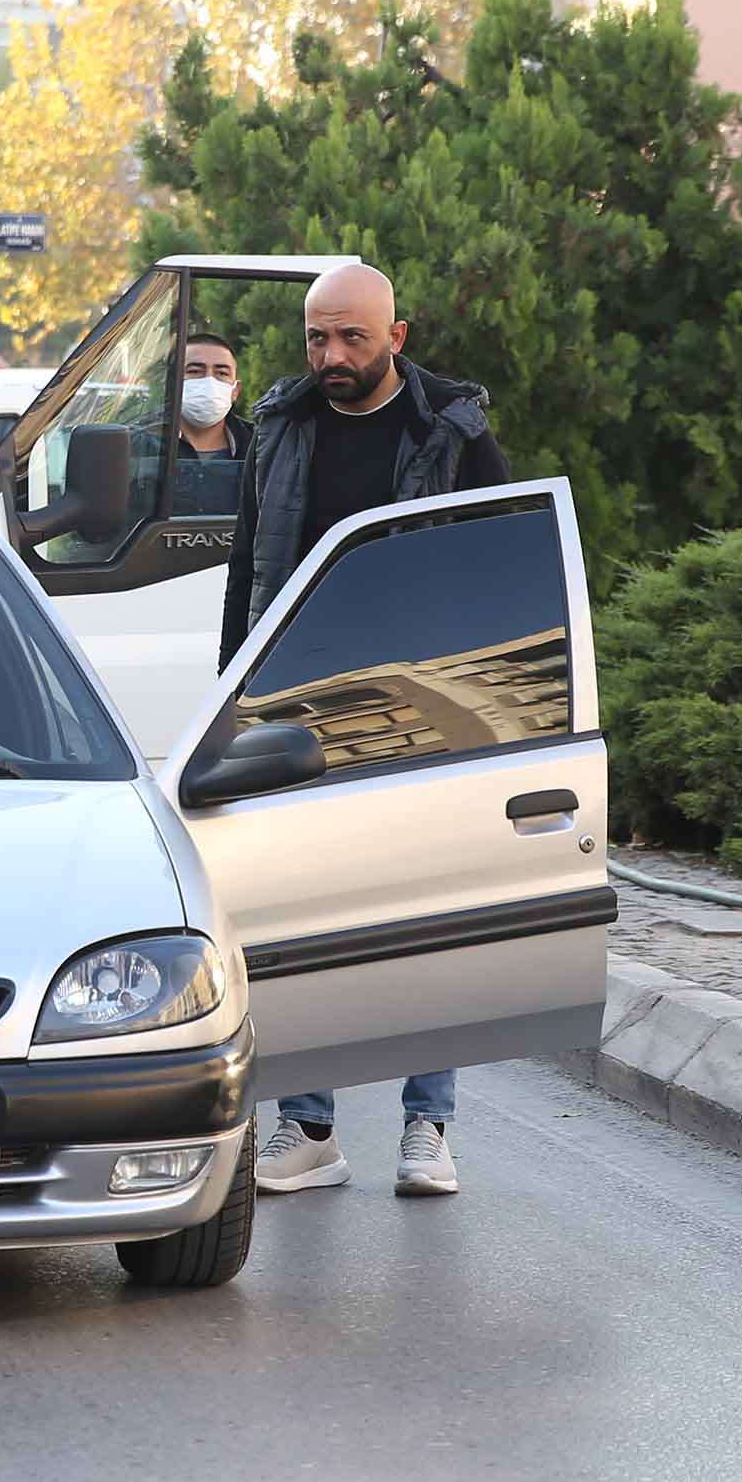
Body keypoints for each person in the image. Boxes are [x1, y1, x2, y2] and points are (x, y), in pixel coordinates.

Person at [217, 263, 509, 1200]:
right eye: (316, 338)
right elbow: (246, 570)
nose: (331, 356)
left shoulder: (456, 434)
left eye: (350, 337)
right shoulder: (280, 428)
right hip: (297, 706)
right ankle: (308, 1127)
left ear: (398, 336)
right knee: (305, 918)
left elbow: (499, 572)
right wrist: (230, 699)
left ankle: (430, 1126)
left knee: (427, 920)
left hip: (422, 706)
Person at [170, 326, 249, 515]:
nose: (209, 382)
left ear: (235, 390)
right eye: (195, 371)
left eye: (222, 373)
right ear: (172, 383)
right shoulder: (142, 444)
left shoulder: (260, 445)